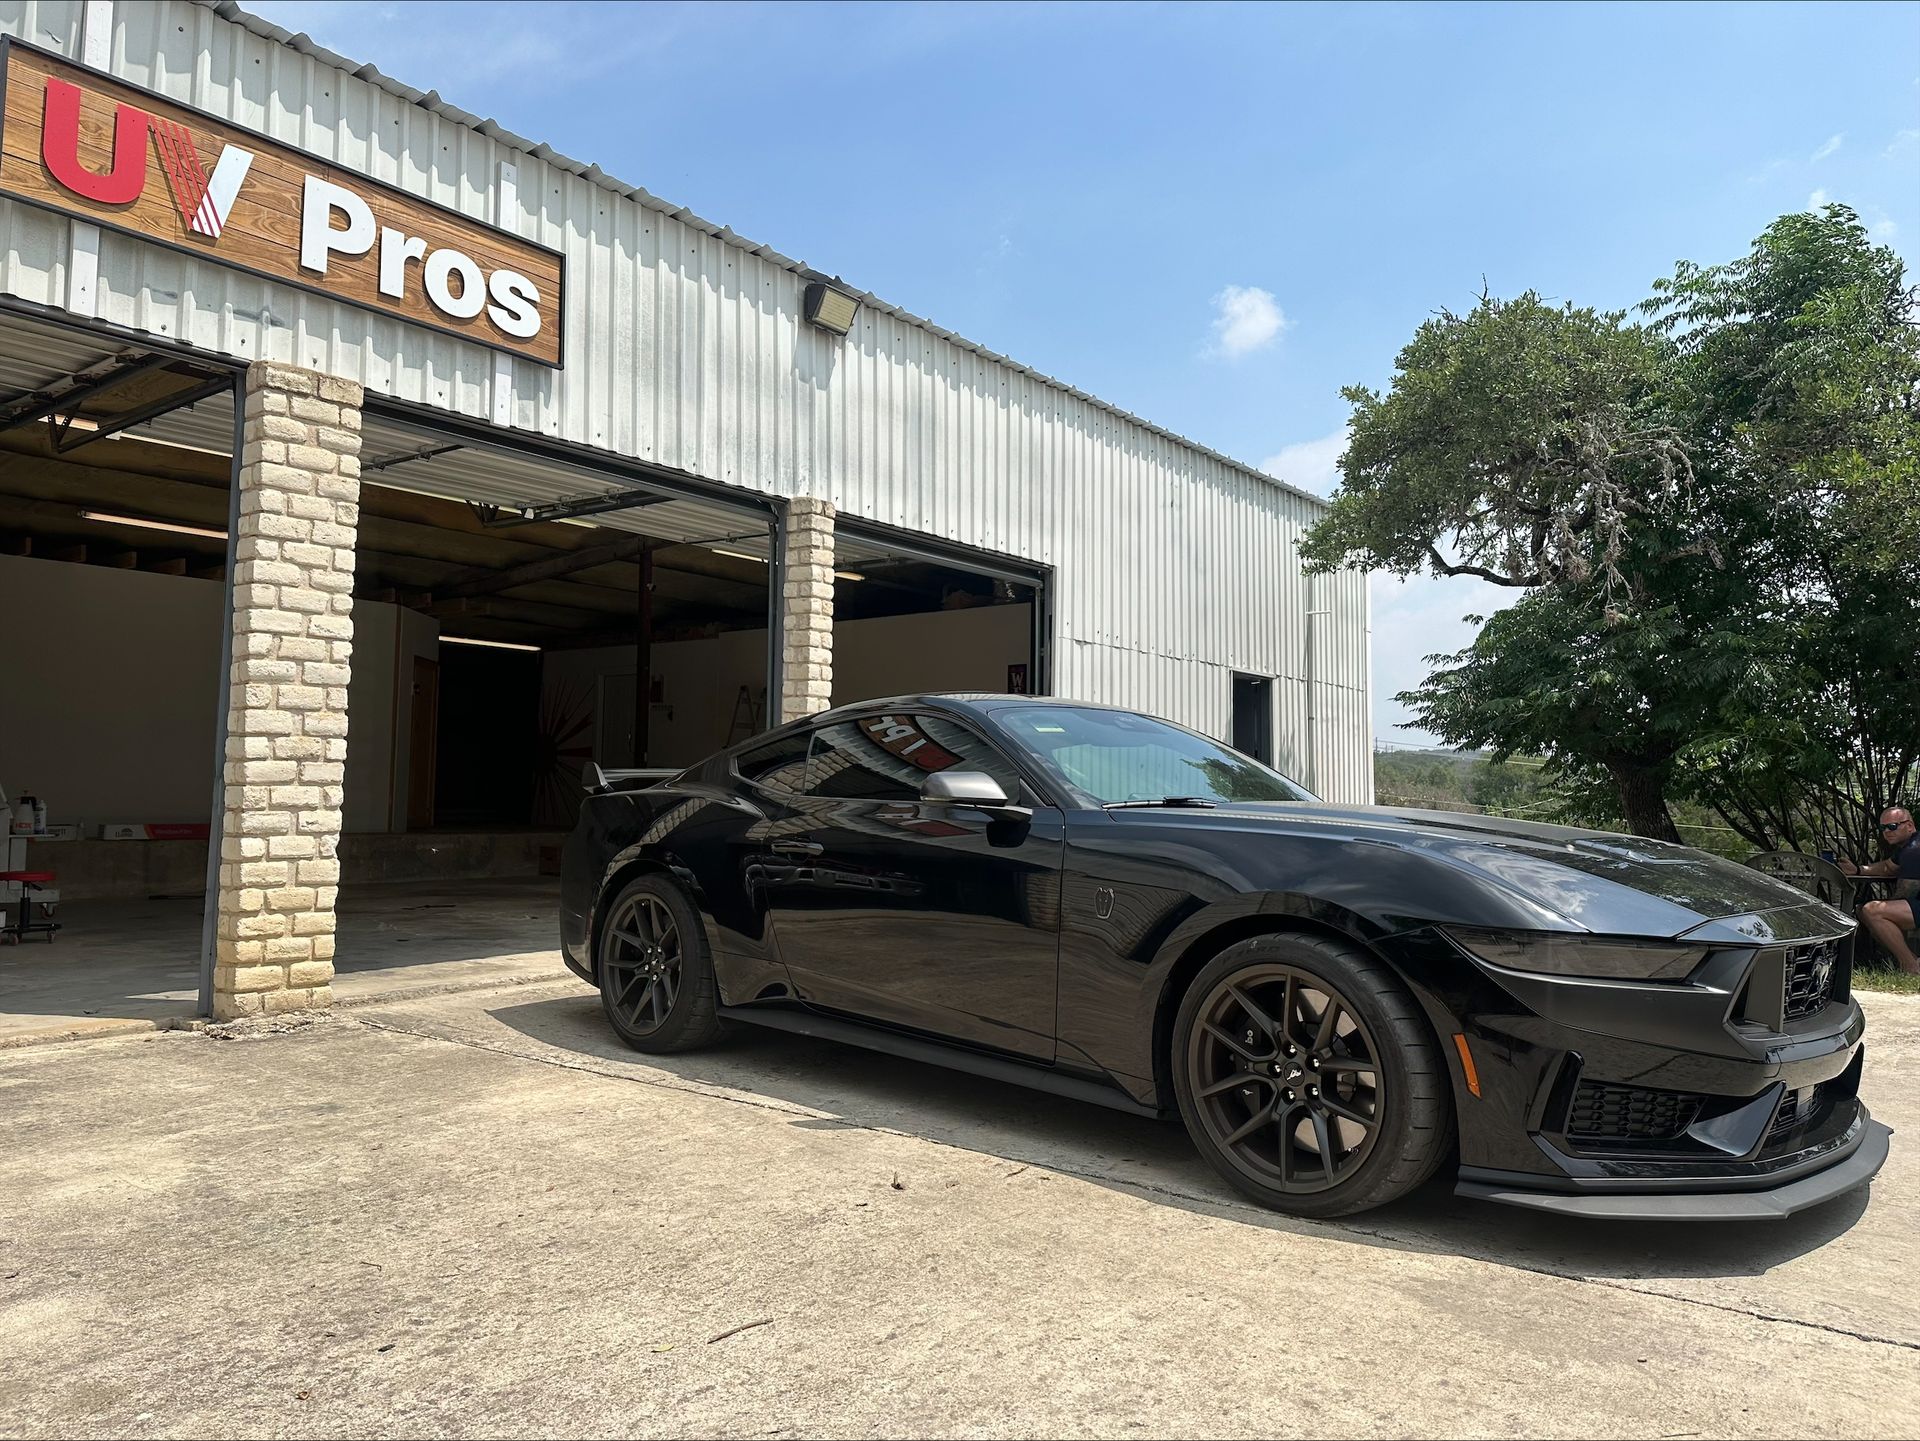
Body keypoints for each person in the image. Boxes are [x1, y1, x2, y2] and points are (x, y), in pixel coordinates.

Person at [1839, 805, 1920, 975]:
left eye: (1892, 826)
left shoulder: (1914, 850)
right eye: (1883, 828)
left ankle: (1911, 966)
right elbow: (1888, 868)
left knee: (1872, 911)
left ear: (1909, 826)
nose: (1887, 832)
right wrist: (1858, 870)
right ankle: (1907, 960)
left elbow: (1908, 891)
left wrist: (1888, 907)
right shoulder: (1908, 846)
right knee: (1863, 910)